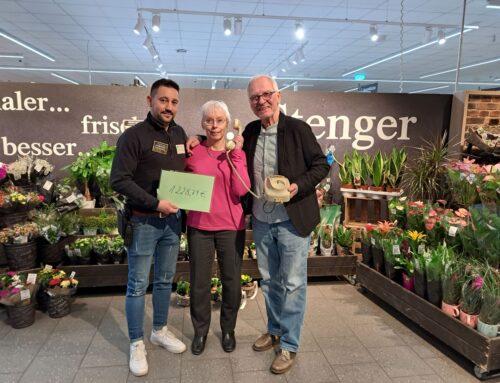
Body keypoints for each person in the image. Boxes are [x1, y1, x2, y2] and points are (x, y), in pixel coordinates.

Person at [243, 74, 329, 374]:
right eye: (254, 97)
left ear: (278, 95)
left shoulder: (297, 129)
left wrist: (298, 186)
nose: (261, 101)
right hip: (262, 221)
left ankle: (290, 344)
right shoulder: (250, 131)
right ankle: (275, 329)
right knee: (269, 281)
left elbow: (321, 164)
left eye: (266, 94)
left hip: (292, 221)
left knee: (293, 284)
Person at [110, 78, 187, 377]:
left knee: (166, 280)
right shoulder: (133, 136)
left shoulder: (179, 134)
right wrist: (155, 203)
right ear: (150, 100)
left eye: (174, 102)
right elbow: (118, 180)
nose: (169, 107)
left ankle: (159, 330)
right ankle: (136, 342)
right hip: (142, 221)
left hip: (171, 223)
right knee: (137, 285)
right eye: (163, 100)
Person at [185, 100, 250, 355]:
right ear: (202, 124)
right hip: (199, 225)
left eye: (220, 120)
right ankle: (200, 331)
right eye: (209, 120)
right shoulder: (192, 151)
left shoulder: (237, 153)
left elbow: (241, 190)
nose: (214, 125)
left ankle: (228, 329)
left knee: (231, 281)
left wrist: (235, 154)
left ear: (228, 123)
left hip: (230, 226)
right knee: (199, 282)